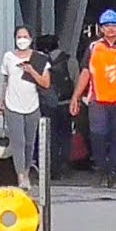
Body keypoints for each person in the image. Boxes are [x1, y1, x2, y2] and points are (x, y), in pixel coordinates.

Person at [69, 9, 116, 188]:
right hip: (98, 100)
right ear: (101, 29)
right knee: (98, 136)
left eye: (114, 26)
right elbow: (85, 73)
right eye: (107, 26)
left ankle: (114, 172)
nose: (111, 29)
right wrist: (76, 96)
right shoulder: (93, 48)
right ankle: (102, 169)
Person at [0, 26, 51, 190]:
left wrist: (31, 70)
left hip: (32, 105)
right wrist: (1, 102)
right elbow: (6, 82)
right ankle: (21, 176)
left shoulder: (39, 59)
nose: (22, 40)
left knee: (29, 142)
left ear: (31, 39)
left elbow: (46, 83)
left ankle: (26, 171)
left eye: (25, 36)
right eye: (19, 36)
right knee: (18, 142)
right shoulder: (8, 57)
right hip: (13, 105)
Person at [35, 34, 76, 180]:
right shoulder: (69, 60)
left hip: (46, 104)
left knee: (48, 137)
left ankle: (50, 167)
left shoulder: (38, 62)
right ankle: (64, 164)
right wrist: (75, 100)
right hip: (66, 103)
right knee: (65, 136)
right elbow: (75, 80)